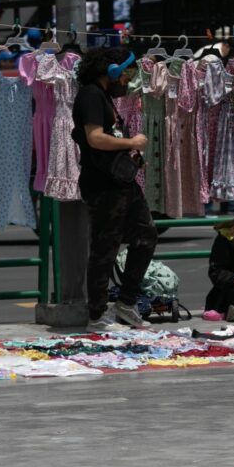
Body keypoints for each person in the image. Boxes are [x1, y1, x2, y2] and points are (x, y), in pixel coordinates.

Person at [71, 46, 157, 329]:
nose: (127, 81)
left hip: (121, 183)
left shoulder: (102, 96)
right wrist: (132, 143)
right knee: (105, 247)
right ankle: (96, 314)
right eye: (125, 73)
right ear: (112, 71)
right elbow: (95, 138)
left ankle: (127, 302)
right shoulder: (91, 96)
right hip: (103, 185)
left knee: (145, 236)